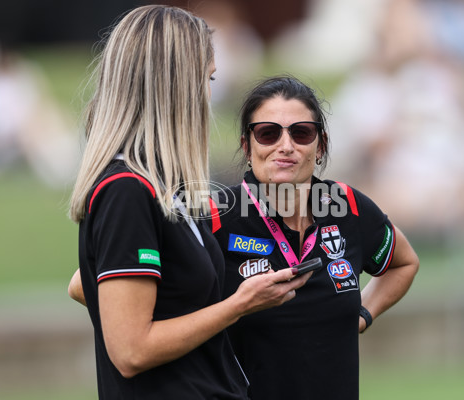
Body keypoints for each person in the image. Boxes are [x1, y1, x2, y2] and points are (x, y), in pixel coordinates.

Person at [67, 7, 310, 399]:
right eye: (208, 78)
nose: (209, 94)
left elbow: (85, 284)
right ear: (175, 85)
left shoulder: (165, 188)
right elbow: (130, 351)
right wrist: (239, 304)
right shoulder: (127, 190)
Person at [208, 76, 419, 400]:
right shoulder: (217, 216)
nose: (286, 145)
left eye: (301, 132)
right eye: (268, 133)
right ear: (247, 146)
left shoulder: (346, 205)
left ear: (320, 145)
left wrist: (363, 314)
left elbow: (403, 263)